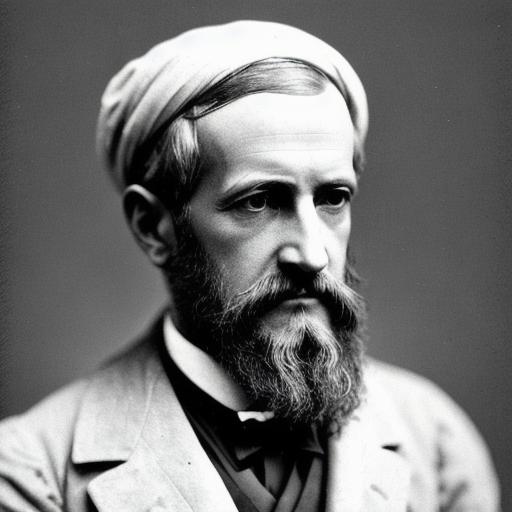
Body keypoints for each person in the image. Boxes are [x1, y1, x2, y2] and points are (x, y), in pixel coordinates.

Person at [0, 20, 500, 512]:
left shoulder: (436, 444)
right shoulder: (31, 475)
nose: (312, 255)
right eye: (258, 202)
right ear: (154, 226)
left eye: (332, 198)